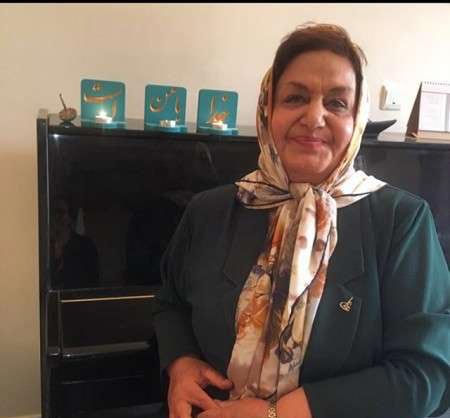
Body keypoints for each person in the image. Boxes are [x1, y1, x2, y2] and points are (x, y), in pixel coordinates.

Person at [152, 23, 450, 418]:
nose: (314, 117)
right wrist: (181, 362)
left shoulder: (402, 221)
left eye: (337, 103)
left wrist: (275, 413)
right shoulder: (208, 210)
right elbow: (170, 303)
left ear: (357, 118)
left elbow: (424, 375)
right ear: (268, 109)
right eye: (295, 97)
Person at [52, 197, 100, 289]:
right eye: (54, 212)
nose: (57, 217)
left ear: (70, 217)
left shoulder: (86, 246)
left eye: (61, 212)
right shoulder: (46, 247)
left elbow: (92, 282)